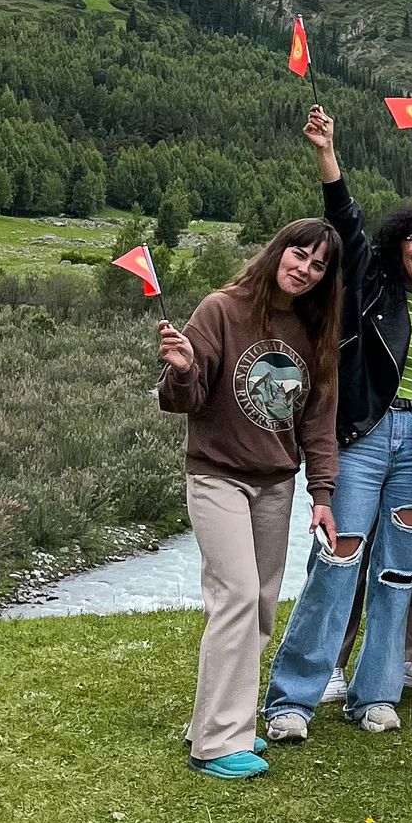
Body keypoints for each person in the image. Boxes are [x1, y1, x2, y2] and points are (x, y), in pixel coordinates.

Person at [262, 105, 412, 740]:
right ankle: (291, 701)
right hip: (362, 438)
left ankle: (376, 694)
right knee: (337, 562)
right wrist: (327, 154)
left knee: (399, 571)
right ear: (397, 245)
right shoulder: (370, 288)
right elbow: (346, 225)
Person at [157, 218, 343, 780]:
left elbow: (318, 424)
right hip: (217, 476)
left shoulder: (315, 330)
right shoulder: (221, 309)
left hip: (276, 484)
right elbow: (182, 399)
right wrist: (183, 370)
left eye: (318, 265)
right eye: (299, 255)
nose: (305, 270)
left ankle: (221, 720)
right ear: (277, 251)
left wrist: (323, 492)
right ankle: (216, 745)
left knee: (260, 605)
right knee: (235, 595)